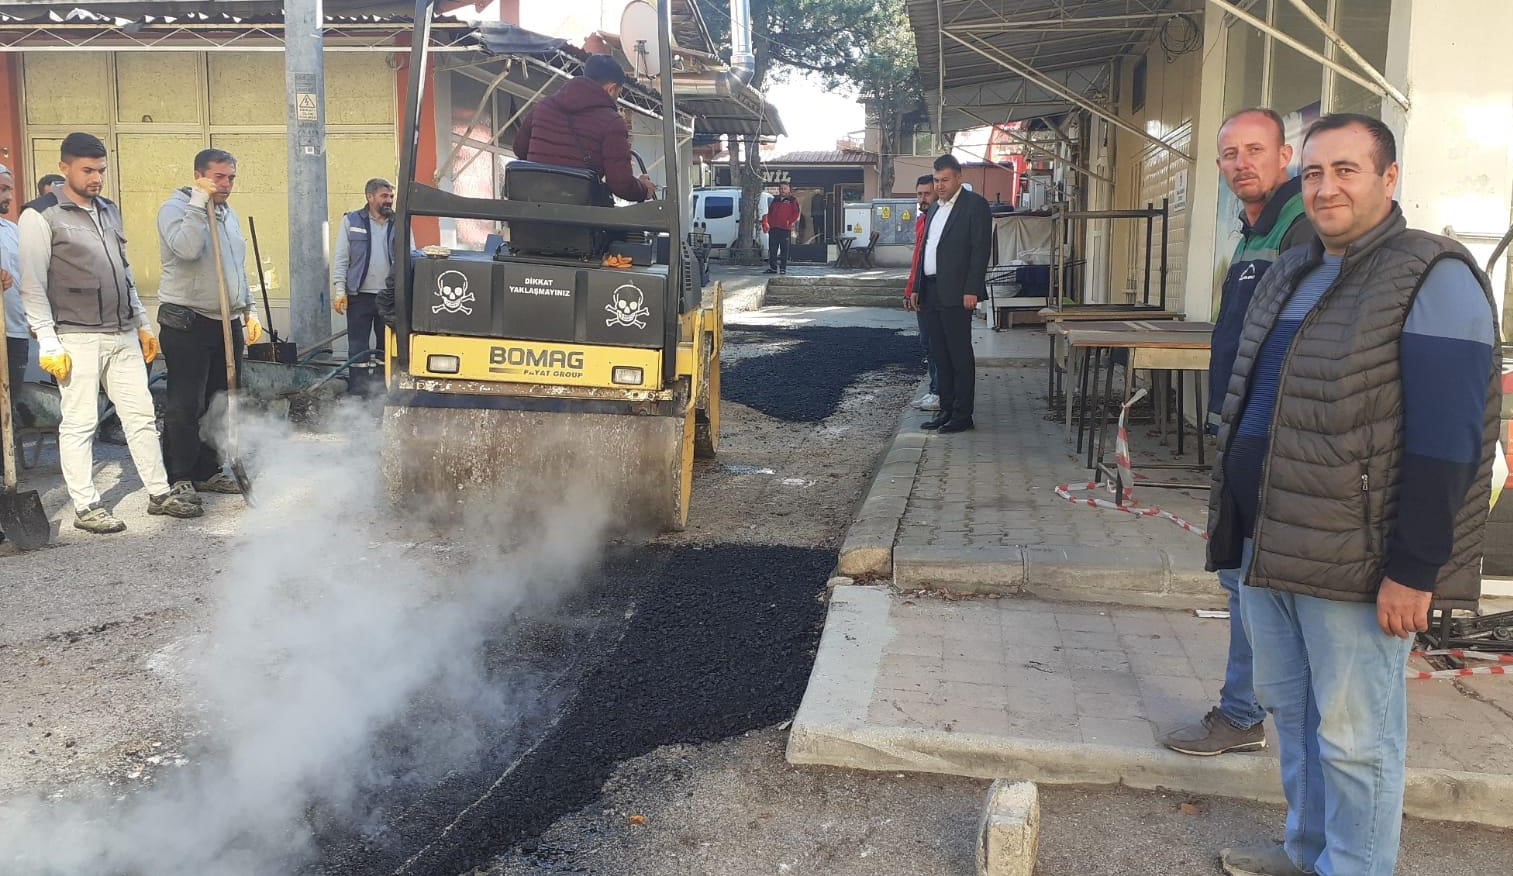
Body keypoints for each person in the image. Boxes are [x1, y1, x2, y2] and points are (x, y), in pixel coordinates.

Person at [1211, 114, 1499, 876]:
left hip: (1355, 558)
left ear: (1388, 178)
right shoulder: (1299, 265)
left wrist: (1415, 567)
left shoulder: (1430, 274)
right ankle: (1307, 852)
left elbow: (1449, 442)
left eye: (1346, 170)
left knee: (1354, 737)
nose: (1325, 187)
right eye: (1311, 173)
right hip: (1268, 540)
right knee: (1299, 719)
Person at [1162, 107, 1313, 759]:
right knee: (1239, 576)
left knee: (1253, 578)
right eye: (1228, 154)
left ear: (1284, 155)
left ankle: (1244, 713)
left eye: (1255, 150)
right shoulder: (1251, 229)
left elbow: (1304, 339)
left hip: (1274, 437)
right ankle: (1246, 710)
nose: (1240, 163)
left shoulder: (1297, 227)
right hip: (1240, 430)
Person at [18, 132, 201, 531]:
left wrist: (143, 323)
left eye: (101, 170)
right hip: (75, 336)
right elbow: (31, 283)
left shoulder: (108, 210)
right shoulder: (40, 215)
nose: (96, 177)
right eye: (87, 170)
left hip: (121, 334)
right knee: (80, 422)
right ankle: (86, 505)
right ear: (65, 167)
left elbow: (125, 271)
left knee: (140, 417)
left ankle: (159, 492)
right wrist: (48, 339)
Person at [155, 148, 262, 501]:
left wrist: (249, 308)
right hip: (187, 320)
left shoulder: (227, 213)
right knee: (187, 403)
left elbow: (235, 266)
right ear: (199, 175)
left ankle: (208, 469)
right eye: (219, 177)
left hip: (225, 320)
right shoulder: (176, 209)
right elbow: (185, 249)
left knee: (221, 400)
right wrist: (199, 203)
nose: (227, 184)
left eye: (231, 177)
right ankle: (180, 474)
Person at [908, 155, 991, 434]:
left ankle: (962, 414)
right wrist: (917, 287)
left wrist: (972, 290)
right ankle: (945, 409)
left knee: (958, 355)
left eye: (944, 180)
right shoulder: (933, 209)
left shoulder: (975, 206)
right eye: (936, 180)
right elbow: (925, 251)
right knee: (939, 354)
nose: (939, 185)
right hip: (930, 291)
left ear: (958, 178)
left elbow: (980, 250)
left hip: (957, 293)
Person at [513, 54, 656, 204]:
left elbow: (519, 149)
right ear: (612, 89)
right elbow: (621, 184)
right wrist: (644, 189)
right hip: (580, 218)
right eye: (618, 94)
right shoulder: (611, 122)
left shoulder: (543, 107)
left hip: (533, 212)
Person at [332, 178, 395, 361]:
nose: (389, 200)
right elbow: (342, 258)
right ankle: (359, 389)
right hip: (359, 297)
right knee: (358, 350)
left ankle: (383, 390)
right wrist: (339, 291)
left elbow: (410, 256)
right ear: (370, 197)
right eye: (384, 196)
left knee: (387, 351)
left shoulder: (400, 223)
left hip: (390, 298)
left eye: (391, 196)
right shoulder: (351, 221)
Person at [903, 173, 939, 412]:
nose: (922, 198)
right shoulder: (921, 221)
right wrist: (910, 290)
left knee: (935, 345)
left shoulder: (938, 221)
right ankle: (934, 390)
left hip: (935, 291)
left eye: (926, 194)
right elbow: (917, 260)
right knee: (927, 344)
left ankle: (939, 392)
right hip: (920, 291)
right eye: (919, 194)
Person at [1, 165, 26, 405]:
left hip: (15, 330)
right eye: (2, 189)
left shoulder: (13, 231)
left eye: (9, 189)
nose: (9, 196)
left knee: (10, 403)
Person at [762, 182, 801, 274]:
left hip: (785, 229)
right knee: (772, 249)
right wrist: (768, 223)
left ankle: (783, 268)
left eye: (785, 188)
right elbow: (770, 212)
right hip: (773, 228)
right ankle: (773, 268)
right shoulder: (775, 199)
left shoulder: (793, 200)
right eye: (781, 188)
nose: (782, 190)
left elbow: (796, 213)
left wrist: (789, 221)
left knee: (784, 250)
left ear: (789, 189)